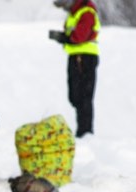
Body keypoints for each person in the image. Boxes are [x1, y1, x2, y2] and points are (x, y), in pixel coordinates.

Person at [50, 0, 100, 138]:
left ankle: (85, 132)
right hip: (75, 56)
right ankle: (82, 130)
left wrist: (62, 37)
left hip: (85, 57)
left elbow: (78, 36)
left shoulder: (86, 12)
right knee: (75, 96)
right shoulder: (75, 13)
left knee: (84, 96)